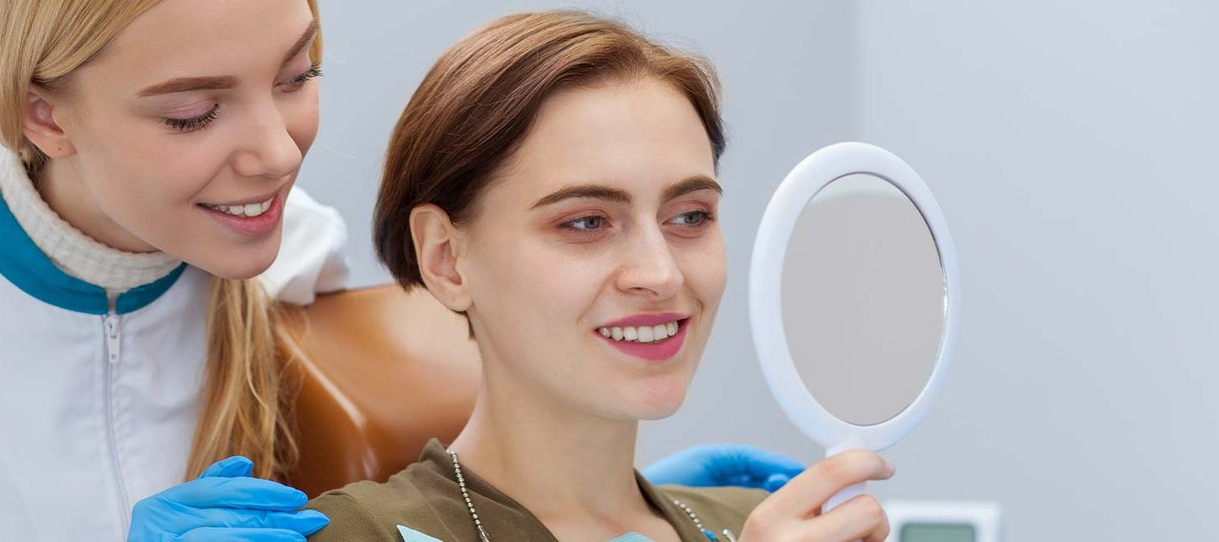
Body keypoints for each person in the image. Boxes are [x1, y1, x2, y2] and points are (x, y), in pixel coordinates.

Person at [0, 2, 799, 541]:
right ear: (46, 117)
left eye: (297, 75)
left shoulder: (290, 250)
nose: (280, 154)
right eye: (194, 114)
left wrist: (607, 505)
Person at [306, 11, 894, 542]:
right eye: (586, 222)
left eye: (690, 216)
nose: (661, 273)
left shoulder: (760, 524)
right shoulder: (355, 535)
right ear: (445, 259)